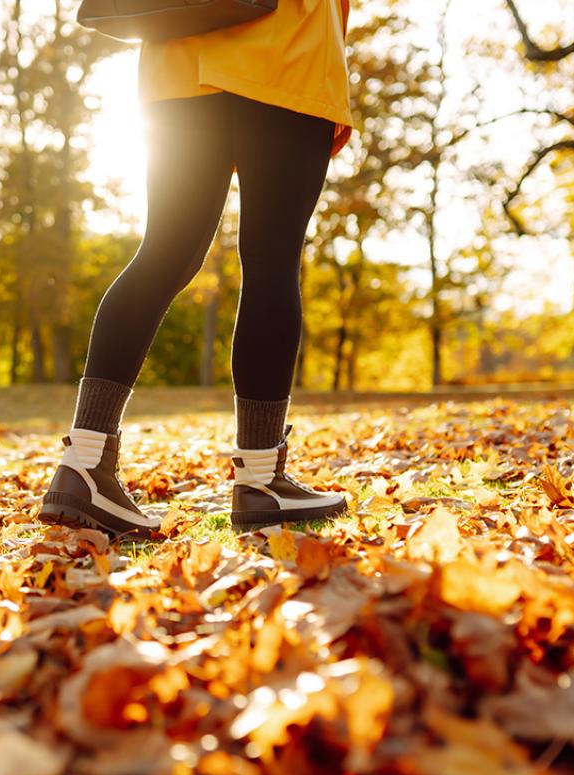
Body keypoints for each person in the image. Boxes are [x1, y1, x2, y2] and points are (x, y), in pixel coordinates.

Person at [39, 0, 355, 537]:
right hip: (284, 52)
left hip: (178, 59)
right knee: (271, 261)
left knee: (163, 252)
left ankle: (85, 462)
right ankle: (259, 481)